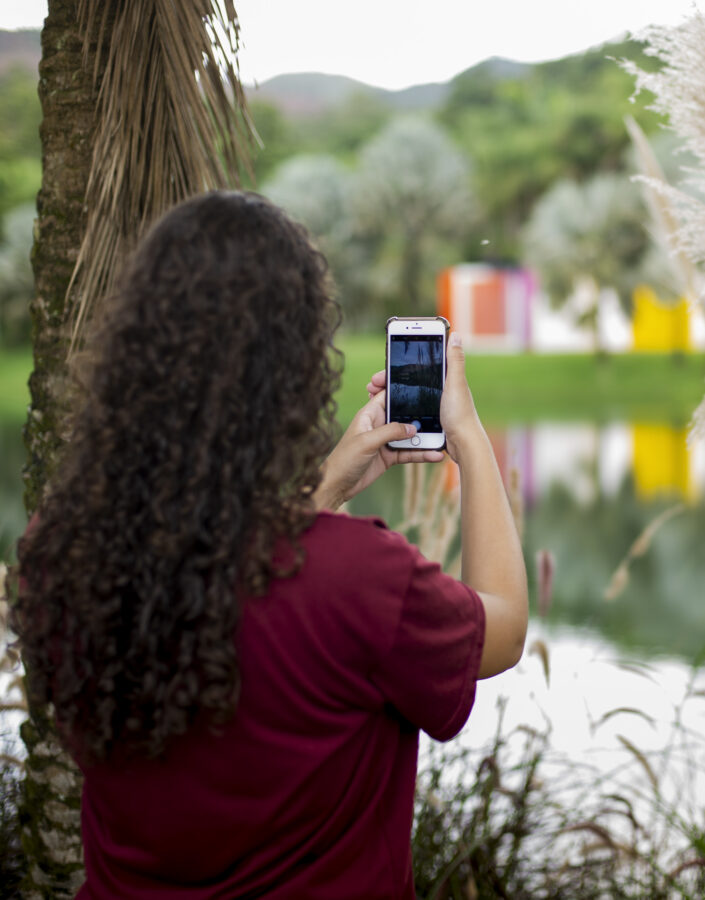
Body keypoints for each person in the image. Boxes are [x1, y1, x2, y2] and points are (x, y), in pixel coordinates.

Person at [13, 191, 527, 899]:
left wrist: (322, 489)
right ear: (290, 374)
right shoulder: (360, 579)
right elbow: (502, 627)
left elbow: (224, 582)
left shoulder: (60, 553)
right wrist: (467, 437)